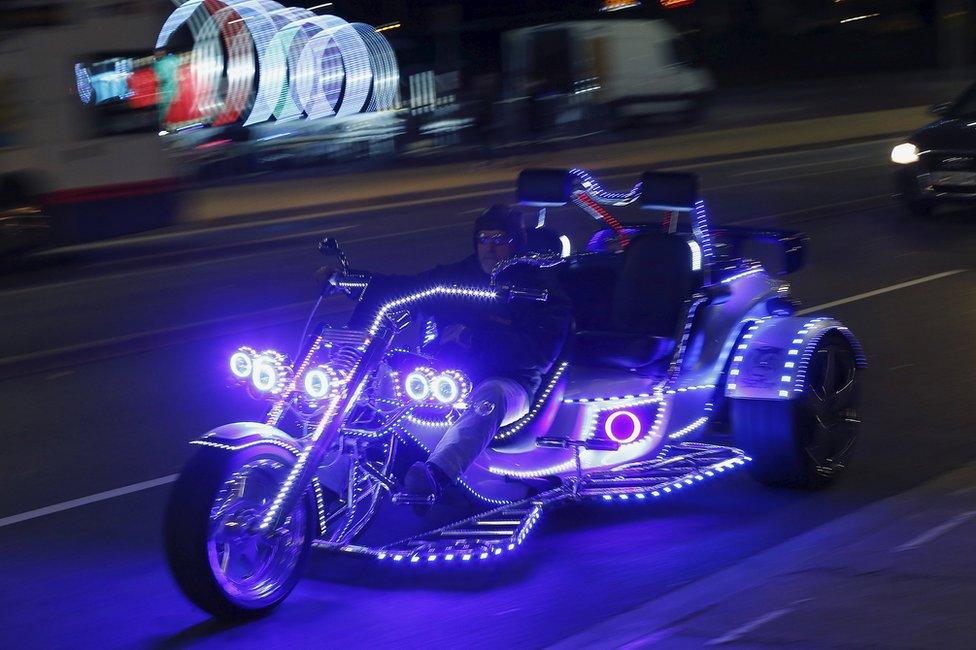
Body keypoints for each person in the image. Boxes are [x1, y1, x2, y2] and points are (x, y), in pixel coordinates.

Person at [317, 205, 571, 501]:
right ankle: (328, 477)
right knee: (381, 374)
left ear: (517, 243)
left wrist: (473, 338)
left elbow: (535, 355)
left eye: (500, 239)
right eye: (483, 239)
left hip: (512, 383)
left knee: (490, 398)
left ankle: (435, 476)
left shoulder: (541, 290)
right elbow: (406, 288)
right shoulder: (460, 275)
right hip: (450, 377)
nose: (489, 248)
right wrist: (349, 281)